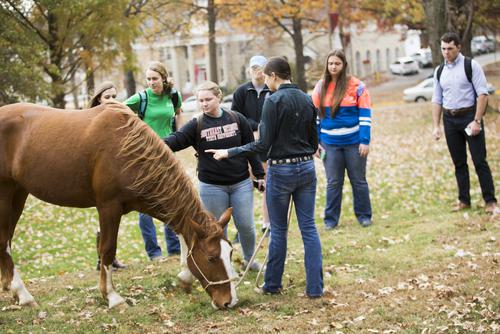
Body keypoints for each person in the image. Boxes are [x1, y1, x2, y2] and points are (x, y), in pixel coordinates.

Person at [207, 57, 323, 298]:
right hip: (307, 169)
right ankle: (315, 288)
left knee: (278, 230)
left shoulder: (273, 100)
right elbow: (314, 142)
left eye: (267, 78)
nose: (265, 82)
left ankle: (272, 285)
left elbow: (262, 144)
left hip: (281, 171)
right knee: (309, 228)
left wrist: (229, 152)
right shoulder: (306, 98)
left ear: (273, 76)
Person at [164, 81, 265, 271]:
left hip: (240, 182)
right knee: (218, 229)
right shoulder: (197, 124)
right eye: (200, 100)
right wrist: (154, 143)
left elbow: (250, 149)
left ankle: (250, 260)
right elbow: (176, 140)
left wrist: (259, 174)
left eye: (208, 99)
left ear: (218, 97)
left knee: (246, 226)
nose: (204, 103)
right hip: (212, 186)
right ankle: (225, 264)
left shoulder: (237, 119)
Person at [432, 32, 497, 214]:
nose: (446, 52)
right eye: (443, 48)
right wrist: (436, 126)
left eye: (450, 48)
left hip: (470, 117)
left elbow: (482, 94)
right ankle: (464, 200)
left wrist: (477, 120)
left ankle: (490, 201)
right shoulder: (440, 71)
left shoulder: (471, 66)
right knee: (459, 163)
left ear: (459, 47)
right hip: (450, 120)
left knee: (479, 161)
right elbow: (437, 99)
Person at [125, 61, 181, 260]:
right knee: (146, 204)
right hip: (146, 156)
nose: (151, 83)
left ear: (163, 78)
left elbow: (178, 115)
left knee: (171, 199)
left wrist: (179, 137)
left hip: (168, 153)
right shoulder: (141, 98)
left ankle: (174, 249)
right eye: (148, 79)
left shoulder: (173, 95)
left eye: (154, 79)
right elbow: (119, 110)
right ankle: (154, 252)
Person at [311, 49, 373, 229]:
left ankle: (364, 216)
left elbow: (365, 115)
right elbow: (313, 118)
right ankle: (331, 220)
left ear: (344, 65)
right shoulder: (321, 87)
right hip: (329, 145)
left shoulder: (358, 86)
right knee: (333, 182)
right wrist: (315, 143)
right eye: (330, 63)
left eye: (337, 63)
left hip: (354, 143)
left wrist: (365, 140)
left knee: (359, 180)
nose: (333, 66)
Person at [231, 55, 272, 236]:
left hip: (267, 144)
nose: (257, 71)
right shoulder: (241, 92)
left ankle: (267, 224)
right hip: (246, 144)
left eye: (261, 68)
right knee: (245, 187)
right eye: (254, 68)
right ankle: (243, 230)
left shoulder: (272, 89)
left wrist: (263, 129)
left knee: (266, 184)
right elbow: (235, 116)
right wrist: (254, 128)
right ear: (249, 70)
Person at [88, 82, 127, 271]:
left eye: (114, 96)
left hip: (114, 175)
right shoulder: (89, 120)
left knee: (110, 220)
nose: (112, 100)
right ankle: (102, 259)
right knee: (103, 220)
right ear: (98, 99)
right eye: (107, 97)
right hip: (97, 178)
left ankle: (110, 258)